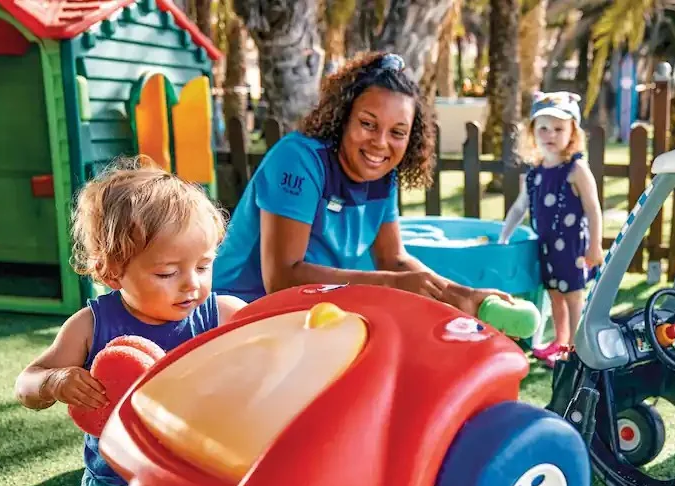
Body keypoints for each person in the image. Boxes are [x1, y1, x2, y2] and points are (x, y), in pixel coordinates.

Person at [14, 158, 246, 486]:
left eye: (203, 266)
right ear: (111, 272)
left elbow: (279, 346)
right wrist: (57, 381)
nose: (191, 285)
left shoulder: (221, 315)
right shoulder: (91, 325)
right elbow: (27, 383)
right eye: (167, 273)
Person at [212, 52, 505, 315]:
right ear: (343, 118)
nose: (380, 143)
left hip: (310, 314)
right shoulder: (298, 160)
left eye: (397, 132)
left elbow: (394, 260)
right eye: (368, 124)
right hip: (237, 311)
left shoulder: (382, 175)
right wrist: (393, 284)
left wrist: (461, 295)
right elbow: (282, 278)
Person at [499, 91, 604, 367]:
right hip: (546, 246)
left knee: (573, 297)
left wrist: (595, 245)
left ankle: (576, 349)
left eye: (559, 129)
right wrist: (504, 236)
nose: (550, 135)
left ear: (572, 133)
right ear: (533, 133)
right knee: (555, 296)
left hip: (572, 248)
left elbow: (593, 209)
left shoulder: (576, 169)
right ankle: (560, 342)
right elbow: (519, 207)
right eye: (543, 128)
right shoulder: (534, 172)